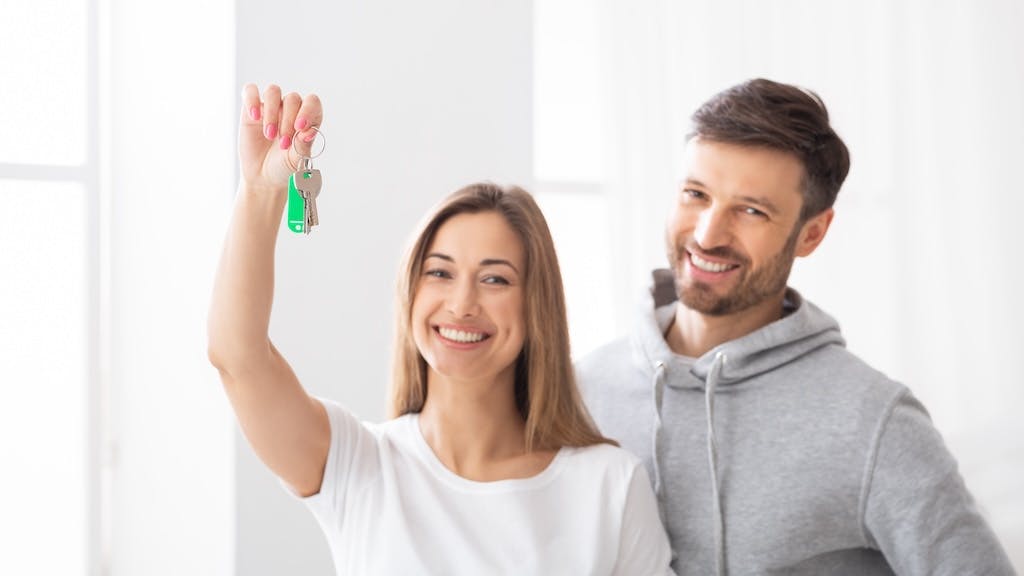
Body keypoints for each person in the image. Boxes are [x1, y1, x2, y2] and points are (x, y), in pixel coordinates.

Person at [207, 83, 673, 575]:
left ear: (537, 306)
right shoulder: (357, 465)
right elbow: (237, 357)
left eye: (495, 278)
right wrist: (261, 192)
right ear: (411, 291)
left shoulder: (609, 485)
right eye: (440, 272)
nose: (462, 304)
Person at [576, 78, 1016, 576]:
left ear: (812, 233)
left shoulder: (874, 422)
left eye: (751, 210)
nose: (707, 234)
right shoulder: (577, 393)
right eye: (696, 194)